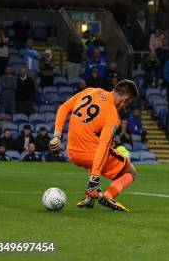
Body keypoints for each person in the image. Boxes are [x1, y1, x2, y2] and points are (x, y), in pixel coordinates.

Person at [50, 79, 139, 211]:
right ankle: (108, 196)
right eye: (128, 102)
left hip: (72, 153)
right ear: (125, 98)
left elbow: (64, 107)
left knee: (94, 143)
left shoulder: (90, 91)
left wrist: (57, 136)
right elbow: (102, 147)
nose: (125, 107)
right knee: (132, 172)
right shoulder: (113, 116)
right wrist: (94, 180)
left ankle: (89, 198)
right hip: (90, 155)